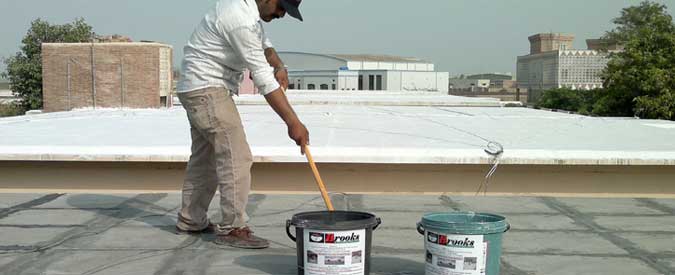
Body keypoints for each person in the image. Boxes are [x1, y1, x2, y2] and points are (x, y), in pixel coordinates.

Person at [174, 0, 308, 249]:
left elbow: (265, 47)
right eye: (281, 8)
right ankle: (234, 228)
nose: (281, 15)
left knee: (206, 159)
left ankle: (191, 220)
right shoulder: (240, 20)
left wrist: (279, 65)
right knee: (237, 155)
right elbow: (263, 78)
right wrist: (293, 122)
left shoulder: (247, 13)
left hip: (197, 87)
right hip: (207, 89)